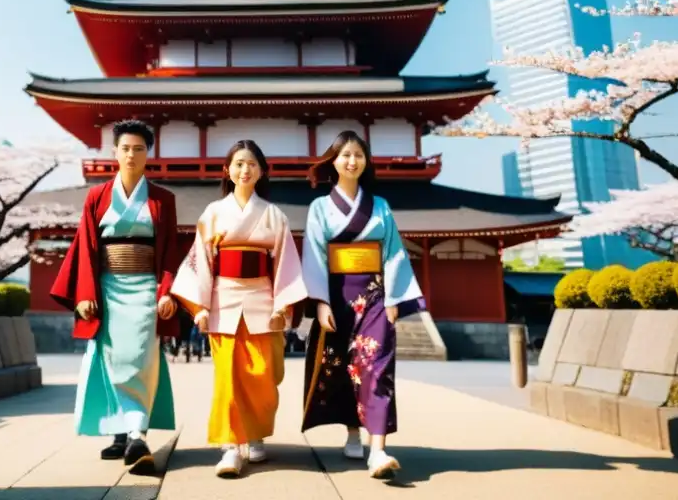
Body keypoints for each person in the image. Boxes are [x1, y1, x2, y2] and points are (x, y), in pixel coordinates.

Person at [49, 119, 182, 474]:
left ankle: (138, 432)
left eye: (139, 149)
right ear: (114, 153)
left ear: (147, 154)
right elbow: (86, 248)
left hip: (145, 292)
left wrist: (167, 291)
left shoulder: (162, 199)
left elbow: (169, 251)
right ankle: (120, 433)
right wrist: (84, 294)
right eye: (125, 148)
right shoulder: (96, 196)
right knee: (109, 361)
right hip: (107, 290)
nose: (132, 155)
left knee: (140, 357)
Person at [171, 139, 307, 478]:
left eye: (251, 164)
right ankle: (231, 445)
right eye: (238, 163)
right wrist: (199, 307)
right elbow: (201, 261)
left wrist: (282, 305)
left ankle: (256, 433)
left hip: (263, 301)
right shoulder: (213, 213)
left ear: (261, 172)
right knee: (227, 378)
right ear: (227, 170)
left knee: (263, 375)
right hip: (224, 300)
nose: (245, 170)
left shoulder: (274, 215)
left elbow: (285, 265)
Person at [300, 130, 425, 479]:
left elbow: (394, 253)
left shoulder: (380, 206)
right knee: (343, 365)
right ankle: (352, 430)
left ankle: (378, 449)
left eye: (358, 155)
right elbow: (314, 255)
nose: (352, 161)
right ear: (333, 161)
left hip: (374, 294)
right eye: (345, 155)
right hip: (337, 293)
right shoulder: (320, 207)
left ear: (365, 162)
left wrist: (395, 297)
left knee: (376, 366)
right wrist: (320, 301)